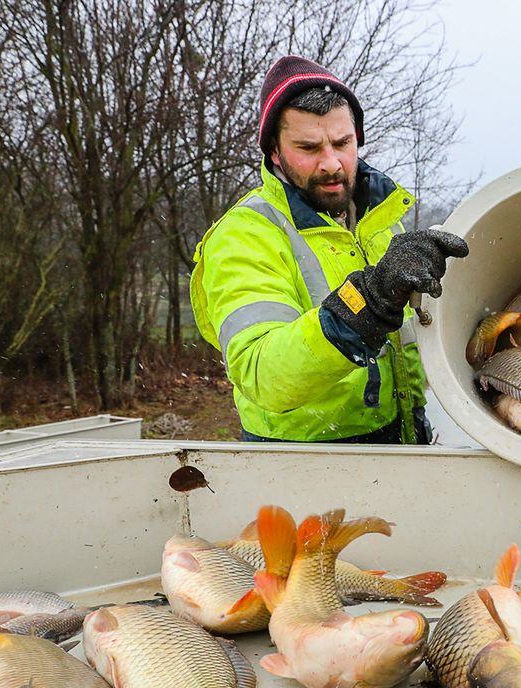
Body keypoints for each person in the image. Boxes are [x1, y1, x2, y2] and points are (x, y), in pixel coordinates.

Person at [190, 56, 468, 444]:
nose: (331, 163)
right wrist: (366, 302)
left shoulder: (378, 219)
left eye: (342, 143)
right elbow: (261, 374)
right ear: (274, 151)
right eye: (308, 147)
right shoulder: (244, 235)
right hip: (302, 461)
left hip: (400, 437)